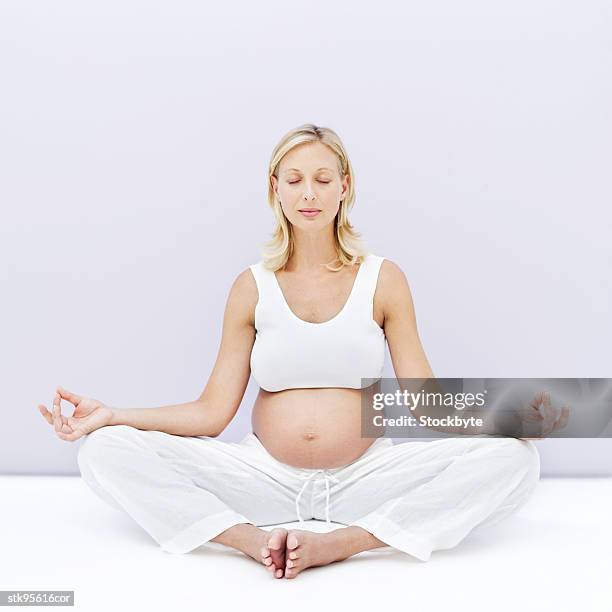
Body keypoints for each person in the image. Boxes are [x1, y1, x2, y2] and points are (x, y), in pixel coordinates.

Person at [37, 124, 567, 580]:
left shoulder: (383, 279)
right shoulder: (252, 286)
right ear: (275, 189)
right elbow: (211, 413)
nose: (308, 193)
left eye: (321, 179)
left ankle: (346, 542)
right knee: (103, 451)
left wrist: (507, 417)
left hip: (366, 479)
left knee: (515, 460)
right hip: (263, 479)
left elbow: (425, 400)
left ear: (345, 186)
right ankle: (247, 539)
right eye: (294, 180)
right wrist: (111, 416)